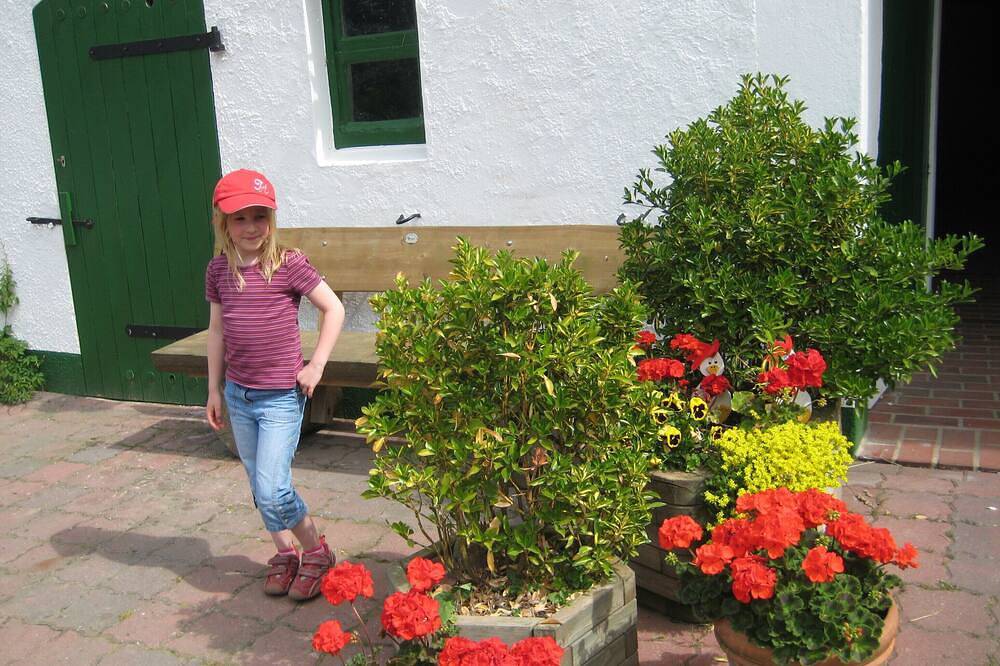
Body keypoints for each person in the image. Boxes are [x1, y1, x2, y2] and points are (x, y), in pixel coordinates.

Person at [204, 168, 345, 601]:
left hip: (281, 396)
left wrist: (316, 365)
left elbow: (334, 309)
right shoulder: (218, 270)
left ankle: (316, 551)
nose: (251, 227)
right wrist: (214, 390)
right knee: (257, 481)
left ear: (271, 219)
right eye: (239, 218)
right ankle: (284, 552)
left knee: (273, 486)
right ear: (223, 223)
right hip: (238, 395)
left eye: (259, 217)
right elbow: (217, 332)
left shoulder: (288, 264)